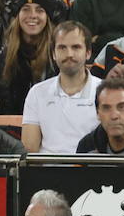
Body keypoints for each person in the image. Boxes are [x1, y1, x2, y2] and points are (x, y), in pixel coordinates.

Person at [21, 21, 99, 152]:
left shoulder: (106, 92)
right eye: (62, 47)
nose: (69, 54)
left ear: (88, 53)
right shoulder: (37, 93)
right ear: (53, 54)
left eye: (76, 47)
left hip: (91, 170)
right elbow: (29, 150)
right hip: (46, 170)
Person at [0, 0, 64, 115]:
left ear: (48, 17)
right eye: (26, 9)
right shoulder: (6, 53)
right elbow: (4, 98)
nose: (32, 15)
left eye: (39, 10)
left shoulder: (57, 52)